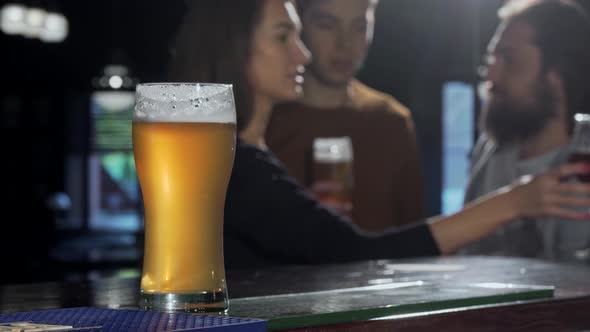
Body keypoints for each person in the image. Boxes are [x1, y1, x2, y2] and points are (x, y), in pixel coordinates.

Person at [170, 0, 590, 269]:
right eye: (286, 36)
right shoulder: (229, 162)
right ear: (236, 46)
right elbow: (355, 253)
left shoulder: (390, 123)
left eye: (359, 26)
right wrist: (516, 201)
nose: (304, 53)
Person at [265, 0, 423, 232]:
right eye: (327, 25)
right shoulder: (264, 122)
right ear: (299, 25)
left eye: (359, 27)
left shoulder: (392, 122)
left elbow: (415, 241)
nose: (345, 44)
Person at [460, 0, 590, 263]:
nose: (491, 77)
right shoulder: (489, 152)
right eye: (491, 59)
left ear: (556, 76)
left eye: (508, 59)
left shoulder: (584, 157)